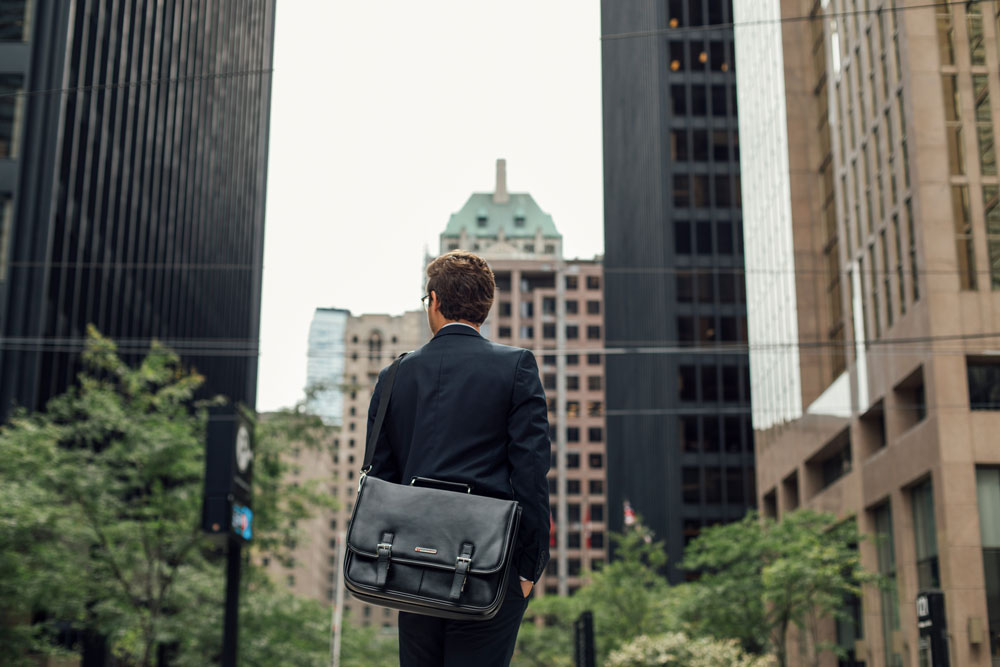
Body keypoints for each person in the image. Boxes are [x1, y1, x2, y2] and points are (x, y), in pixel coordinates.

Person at [366, 250, 551, 667]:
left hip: (413, 569)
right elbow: (532, 474)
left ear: (433, 300)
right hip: (490, 565)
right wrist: (528, 568)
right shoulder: (517, 367)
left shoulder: (395, 376)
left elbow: (381, 478)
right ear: (486, 307)